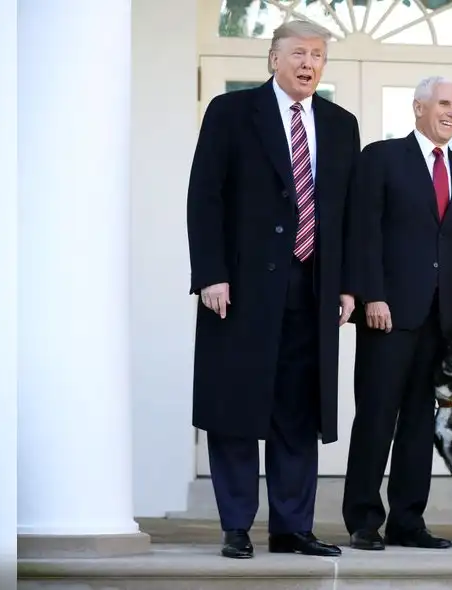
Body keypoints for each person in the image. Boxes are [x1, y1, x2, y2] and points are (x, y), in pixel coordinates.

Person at [186, 20, 360, 559]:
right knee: (236, 405)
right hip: (240, 289)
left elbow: (348, 214)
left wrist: (348, 285)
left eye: (318, 56)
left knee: (299, 411)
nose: (309, 64)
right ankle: (236, 525)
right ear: (273, 59)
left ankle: (292, 527)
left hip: (314, 288)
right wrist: (211, 273)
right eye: (298, 54)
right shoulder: (231, 113)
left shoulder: (340, 124)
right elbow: (205, 197)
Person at [341, 76, 452, 551]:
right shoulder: (382, 158)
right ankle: (364, 519)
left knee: (421, 424)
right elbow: (362, 232)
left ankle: (408, 520)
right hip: (390, 313)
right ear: (418, 107)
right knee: (377, 416)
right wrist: (371, 295)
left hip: (443, 321)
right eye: (444, 104)